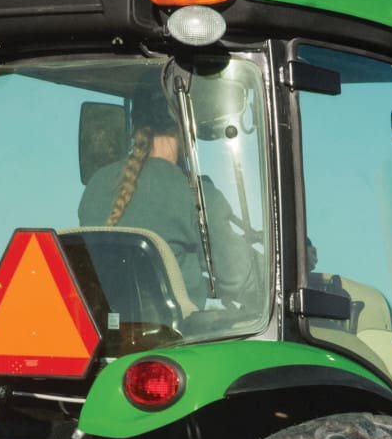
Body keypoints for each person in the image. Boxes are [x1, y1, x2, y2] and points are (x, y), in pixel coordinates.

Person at [76, 83, 258, 309]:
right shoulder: (195, 194)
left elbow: (139, 277)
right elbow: (239, 276)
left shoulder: (97, 184)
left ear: (136, 125)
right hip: (178, 337)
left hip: (109, 334)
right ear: (186, 127)